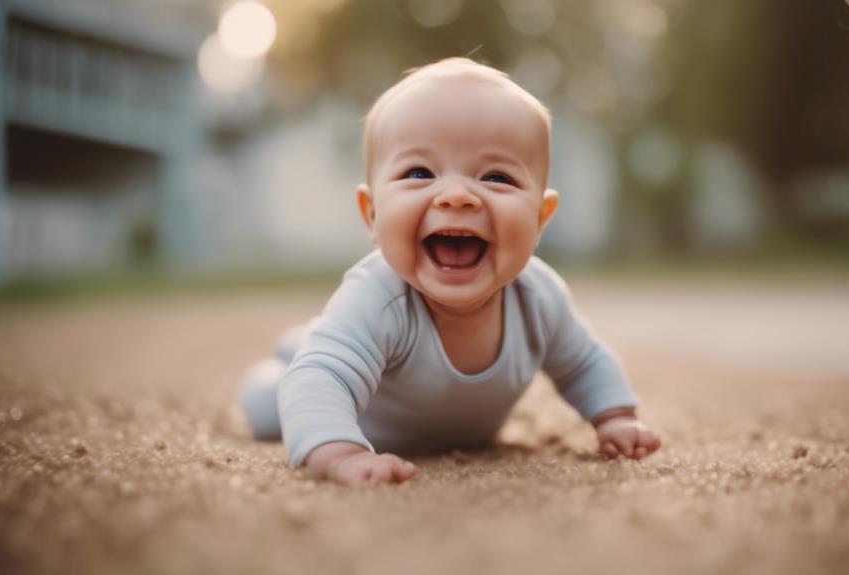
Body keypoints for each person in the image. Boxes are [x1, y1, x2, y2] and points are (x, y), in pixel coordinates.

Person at [240, 57, 661, 486]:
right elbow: (322, 377)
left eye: (497, 177)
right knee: (269, 402)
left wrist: (615, 418)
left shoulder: (539, 297)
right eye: (419, 173)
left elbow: (584, 362)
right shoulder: (378, 296)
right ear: (371, 214)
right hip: (346, 389)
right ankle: (294, 351)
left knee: (324, 353)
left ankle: (307, 338)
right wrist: (340, 454)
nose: (457, 196)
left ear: (540, 217)